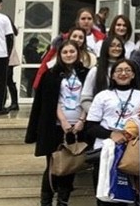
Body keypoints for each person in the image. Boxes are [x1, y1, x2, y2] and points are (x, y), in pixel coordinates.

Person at [25, 40, 92, 206]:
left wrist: (82, 120)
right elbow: (50, 100)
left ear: (78, 53)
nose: (69, 55)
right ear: (60, 55)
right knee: (53, 166)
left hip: (79, 126)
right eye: (65, 52)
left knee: (70, 166)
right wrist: (63, 120)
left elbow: (90, 97)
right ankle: (46, 202)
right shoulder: (51, 74)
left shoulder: (86, 73)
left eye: (72, 51)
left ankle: (63, 202)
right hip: (56, 126)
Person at [85, 59, 140, 205]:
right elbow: (91, 127)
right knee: (105, 196)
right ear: (113, 75)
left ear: (133, 74)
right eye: (119, 70)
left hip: (132, 152)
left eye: (127, 70)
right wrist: (111, 134)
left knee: (134, 196)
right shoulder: (102, 96)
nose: (123, 73)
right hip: (105, 151)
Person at [80, 35, 125, 114]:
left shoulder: (127, 70)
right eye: (112, 46)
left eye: (119, 46)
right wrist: (97, 114)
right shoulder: (95, 71)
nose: (116, 48)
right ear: (106, 48)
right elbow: (85, 99)